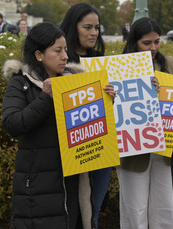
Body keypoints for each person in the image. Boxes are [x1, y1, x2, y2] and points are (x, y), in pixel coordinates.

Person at [1, 22, 117, 229]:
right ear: (39, 55)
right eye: (58, 50)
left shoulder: (76, 81)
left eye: (65, 50)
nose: (65, 56)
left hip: (73, 182)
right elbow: (12, 124)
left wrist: (105, 102)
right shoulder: (21, 83)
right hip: (37, 185)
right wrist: (45, 98)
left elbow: (93, 130)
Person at [117, 17, 173, 229]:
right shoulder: (119, 65)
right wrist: (110, 92)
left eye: (157, 42)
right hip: (133, 149)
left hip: (165, 148)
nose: (153, 47)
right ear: (134, 41)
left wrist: (162, 90)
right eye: (147, 43)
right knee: (135, 208)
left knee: (166, 206)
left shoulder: (169, 62)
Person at [59, 2, 109, 228]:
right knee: (71, 215)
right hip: (71, 151)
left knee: (93, 213)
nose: (94, 33)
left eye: (97, 27)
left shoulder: (102, 61)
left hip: (101, 149)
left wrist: (113, 95)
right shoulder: (58, 62)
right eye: (87, 27)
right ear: (73, 27)